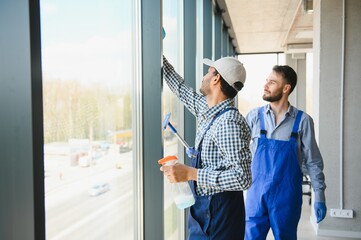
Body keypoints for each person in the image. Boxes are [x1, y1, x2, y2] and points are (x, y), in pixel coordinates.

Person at [160, 55, 252, 239]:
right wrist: (159, 54)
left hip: (218, 214)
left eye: (208, 72)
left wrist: (191, 173)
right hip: (205, 209)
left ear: (216, 79)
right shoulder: (207, 109)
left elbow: (243, 178)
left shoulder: (227, 122)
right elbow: (181, 89)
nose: (204, 77)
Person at [245, 65, 327, 240]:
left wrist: (319, 194)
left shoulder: (303, 121)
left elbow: (313, 161)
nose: (265, 85)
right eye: (266, 81)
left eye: (272, 82)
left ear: (286, 88)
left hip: (286, 197)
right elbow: (237, 152)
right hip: (255, 195)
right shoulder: (253, 117)